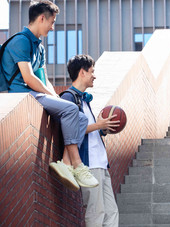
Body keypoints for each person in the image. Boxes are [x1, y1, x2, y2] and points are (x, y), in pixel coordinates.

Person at [1, 1, 98, 191]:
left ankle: (65, 164)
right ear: (42, 18)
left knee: (79, 117)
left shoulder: (40, 47)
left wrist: (57, 98)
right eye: (52, 22)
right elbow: (29, 78)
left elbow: (44, 80)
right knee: (71, 109)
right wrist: (54, 98)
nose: (53, 27)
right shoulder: (21, 41)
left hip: (36, 94)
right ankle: (77, 165)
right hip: (24, 95)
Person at [61, 54, 119, 226]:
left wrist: (101, 129)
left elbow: (87, 132)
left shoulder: (84, 101)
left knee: (112, 212)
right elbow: (70, 131)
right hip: (88, 164)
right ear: (82, 73)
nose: (94, 75)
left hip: (101, 163)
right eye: (92, 71)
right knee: (96, 211)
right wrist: (97, 124)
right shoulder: (68, 98)